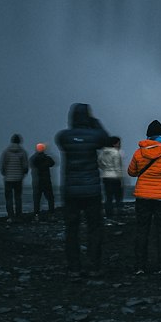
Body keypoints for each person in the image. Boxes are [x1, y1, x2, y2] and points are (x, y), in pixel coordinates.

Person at [55, 103, 110, 278]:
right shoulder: (94, 136)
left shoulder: (63, 137)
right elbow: (106, 139)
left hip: (70, 190)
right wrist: (94, 121)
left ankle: (74, 268)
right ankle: (94, 266)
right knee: (94, 228)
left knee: (72, 229)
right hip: (92, 190)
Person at [127, 120, 161, 274]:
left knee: (142, 230)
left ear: (148, 135)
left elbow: (131, 172)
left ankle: (140, 267)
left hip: (143, 197)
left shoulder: (139, 152)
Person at [0, 133, 29, 223]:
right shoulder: (23, 152)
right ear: (20, 141)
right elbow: (25, 166)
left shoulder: (6, 152)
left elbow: (2, 164)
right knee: (18, 197)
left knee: (9, 198)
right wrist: (23, 174)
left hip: (8, 179)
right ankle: (18, 215)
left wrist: (4, 174)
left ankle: (10, 216)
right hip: (18, 178)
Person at [98, 136, 125, 222]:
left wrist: (105, 170)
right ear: (114, 143)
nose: (119, 145)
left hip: (105, 176)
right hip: (115, 177)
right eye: (118, 143)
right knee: (118, 198)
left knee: (108, 197)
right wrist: (120, 178)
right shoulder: (116, 153)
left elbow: (99, 163)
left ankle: (109, 216)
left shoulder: (102, 152)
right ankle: (119, 216)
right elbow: (117, 167)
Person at [29, 142, 57, 221]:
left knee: (37, 199)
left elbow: (31, 164)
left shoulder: (34, 158)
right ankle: (51, 214)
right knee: (50, 198)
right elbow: (53, 163)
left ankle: (36, 215)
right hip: (46, 180)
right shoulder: (47, 158)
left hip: (37, 181)